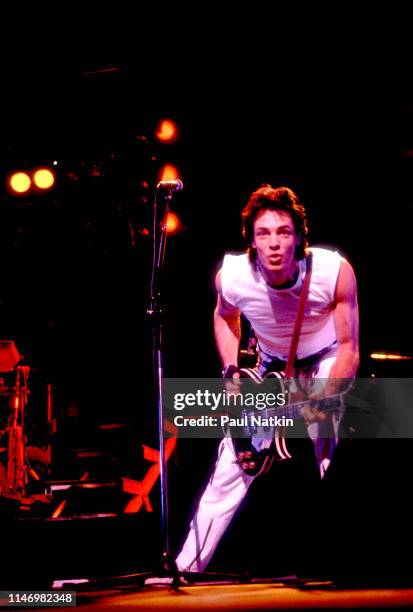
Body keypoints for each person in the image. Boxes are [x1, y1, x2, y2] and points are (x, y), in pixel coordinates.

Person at [175, 184, 360, 574]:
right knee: (234, 461)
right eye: (263, 233)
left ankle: (346, 557)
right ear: (252, 240)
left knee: (327, 435)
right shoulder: (234, 276)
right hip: (271, 368)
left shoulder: (333, 271)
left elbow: (349, 349)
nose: (274, 243)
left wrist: (324, 400)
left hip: (324, 360)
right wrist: (230, 371)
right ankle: (185, 567)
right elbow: (225, 316)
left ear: (298, 237)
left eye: (283, 232)